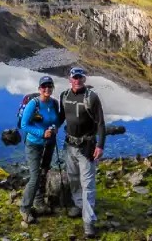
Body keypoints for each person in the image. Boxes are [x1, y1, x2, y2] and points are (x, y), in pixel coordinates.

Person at [58, 66, 106, 238]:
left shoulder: (91, 98)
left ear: (84, 79)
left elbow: (100, 124)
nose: (77, 80)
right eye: (74, 77)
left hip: (87, 148)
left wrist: (100, 145)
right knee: (73, 178)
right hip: (69, 145)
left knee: (88, 185)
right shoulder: (64, 96)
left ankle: (89, 222)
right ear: (70, 79)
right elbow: (61, 117)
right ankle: (79, 205)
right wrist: (49, 127)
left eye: (80, 77)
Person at [19, 75, 60, 223]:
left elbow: (56, 120)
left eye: (50, 86)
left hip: (49, 143)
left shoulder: (54, 103)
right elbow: (24, 125)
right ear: (39, 89)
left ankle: (39, 201)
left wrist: (55, 128)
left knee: (44, 172)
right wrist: (42, 133)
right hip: (34, 144)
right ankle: (24, 208)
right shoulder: (33, 104)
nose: (47, 89)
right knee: (35, 176)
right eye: (44, 87)